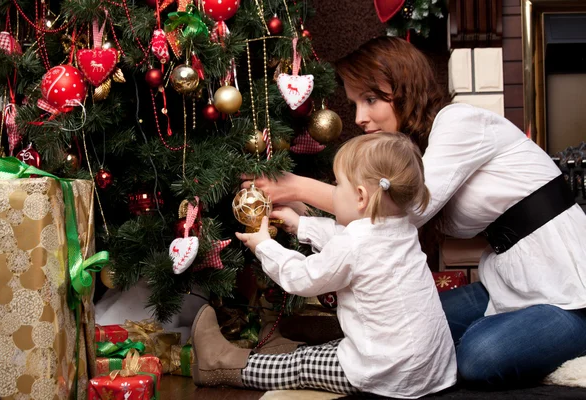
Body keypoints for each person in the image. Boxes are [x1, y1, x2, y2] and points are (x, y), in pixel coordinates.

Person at [241, 36, 586, 386]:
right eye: (355, 103)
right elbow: (377, 235)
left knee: (478, 357)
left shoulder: (459, 122)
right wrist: (302, 218)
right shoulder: (413, 155)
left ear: (404, 87)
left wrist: (298, 186)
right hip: (509, 282)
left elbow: (408, 210)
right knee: (416, 335)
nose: (359, 117)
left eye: (370, 99)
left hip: (568, 287)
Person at [190, 133, 457, 398]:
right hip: (432, 368)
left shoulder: (355, 244)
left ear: (361, 197)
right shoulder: (401, 229)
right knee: (333, 348)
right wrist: (300, 225)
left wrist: (264, 246)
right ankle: (275, 343)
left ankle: (221, 364)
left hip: (390, 373)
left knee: (301, 365)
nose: (333, 189)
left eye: (338, 184)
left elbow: (302, 277)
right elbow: (349, 240)